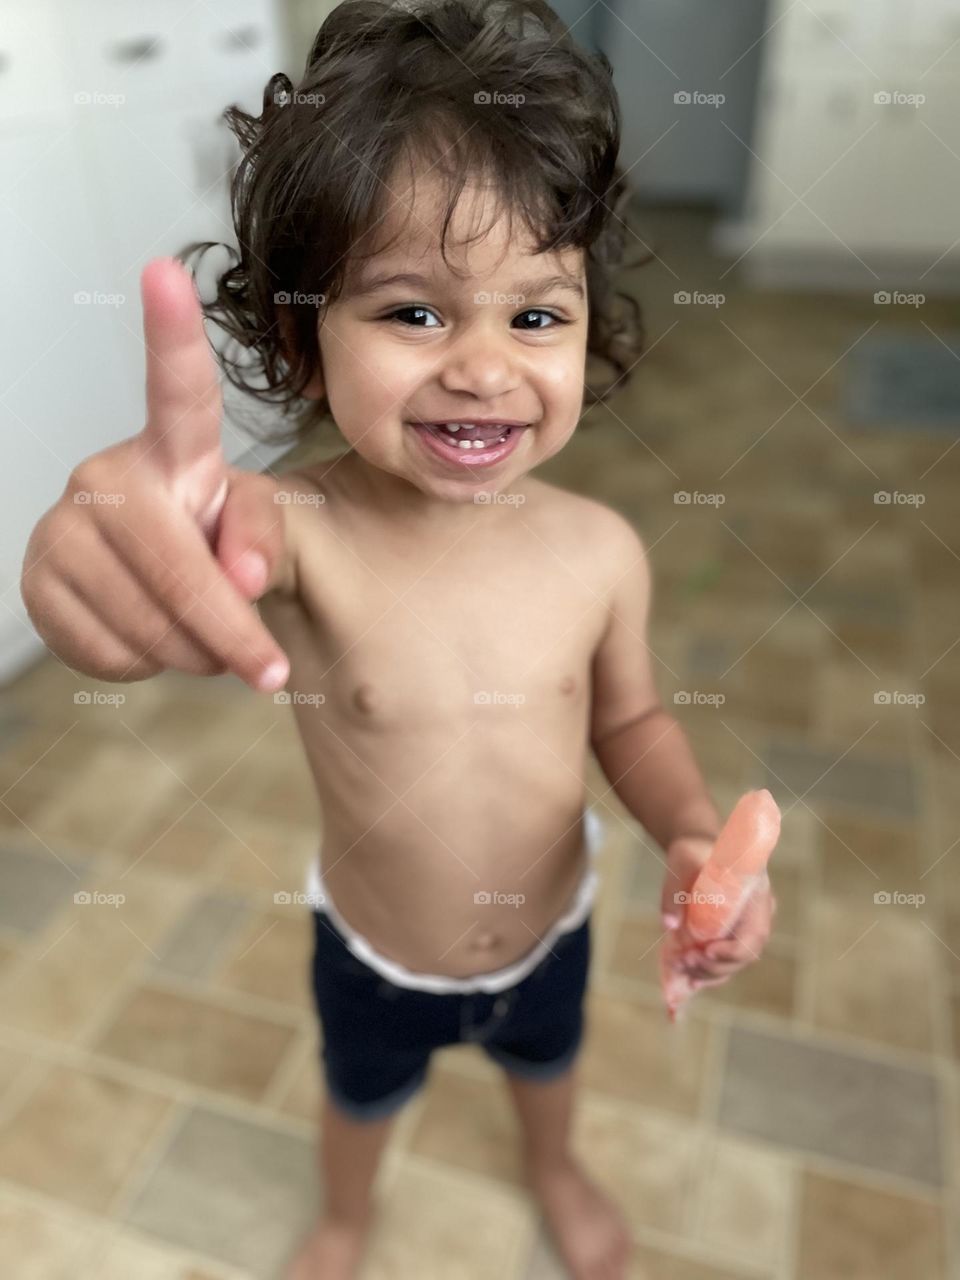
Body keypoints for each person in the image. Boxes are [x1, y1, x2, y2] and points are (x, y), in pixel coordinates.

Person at [20, 2, 776, 1276]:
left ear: (589, 329)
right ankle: (345, 1214)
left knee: (551, 1064)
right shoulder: (298, 528)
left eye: (536, 315)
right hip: (374, 942)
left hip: (549, 923)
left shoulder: (600, 552)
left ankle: (552, 1162)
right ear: (302, 344)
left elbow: (629, 722)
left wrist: (692, 832)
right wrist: (80, 559)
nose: (483, 366)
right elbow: (178, 557)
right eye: (415, 313)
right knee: (359, 1097)